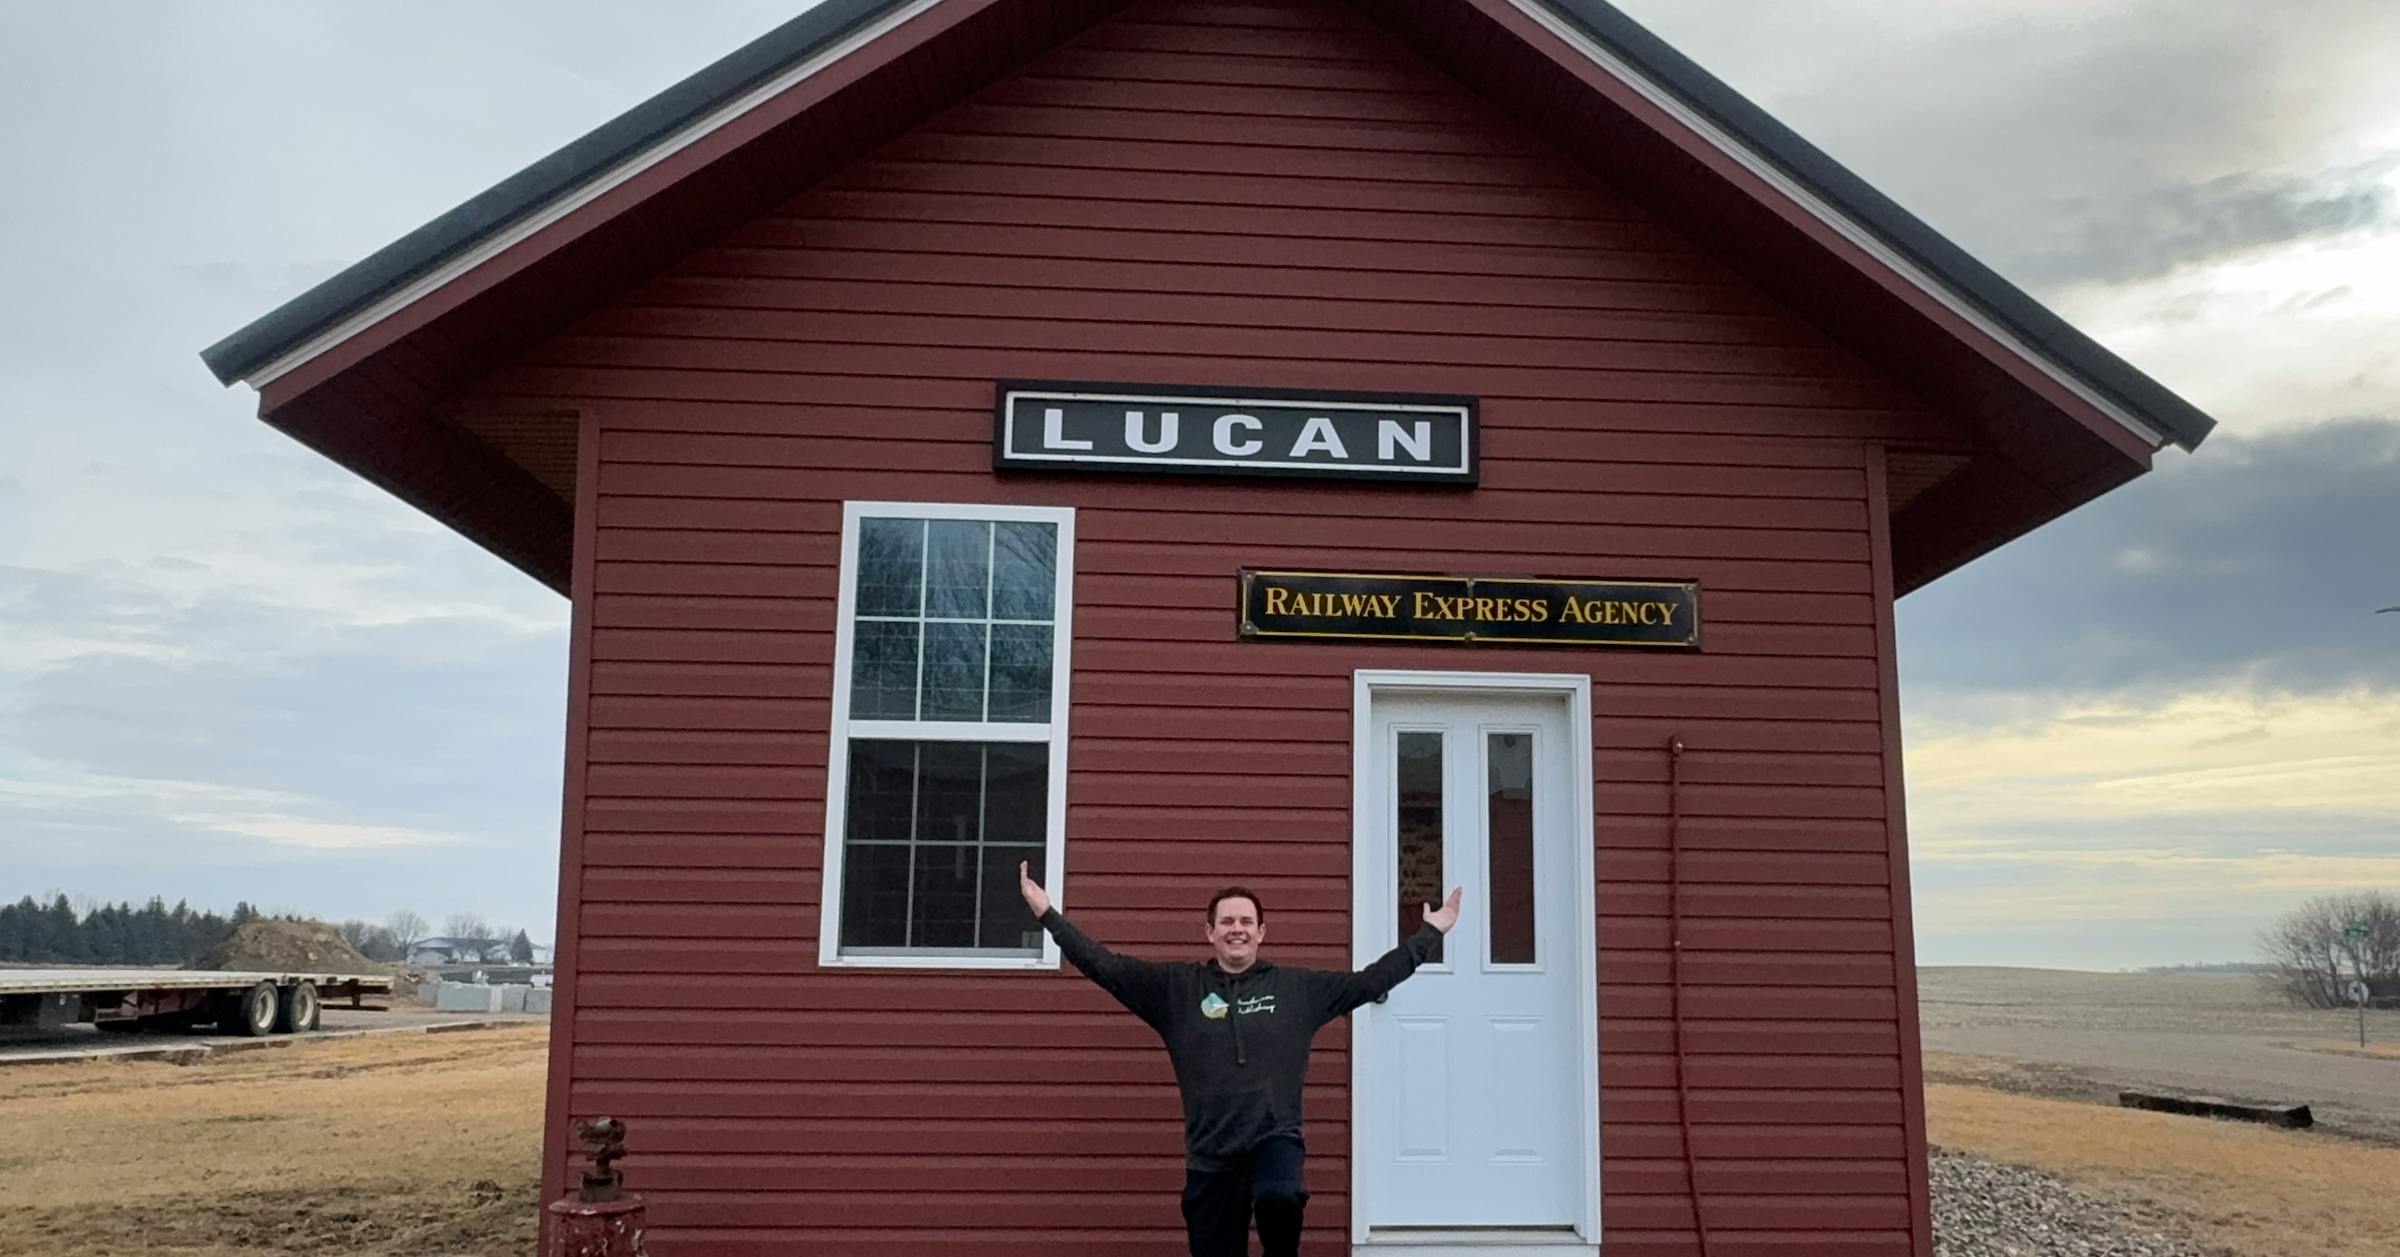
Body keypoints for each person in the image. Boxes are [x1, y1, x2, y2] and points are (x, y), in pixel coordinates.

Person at [1018, 860, 1462, 1257]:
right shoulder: (1176, 990)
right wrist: (1048, 915)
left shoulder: (1297, 990)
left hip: (1274, 1139)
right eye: (1227, 921)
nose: (1237, 929)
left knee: (1280, 1197)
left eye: (1247, 921)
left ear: (1261, 932)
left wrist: (1430, 934)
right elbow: (1107, 967)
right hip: (1211, 1153)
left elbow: (1370, 982)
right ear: (1209, 932)